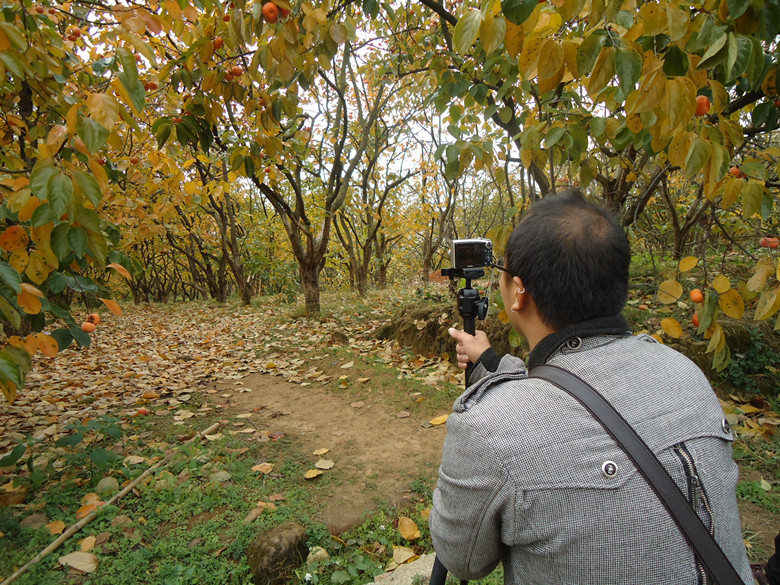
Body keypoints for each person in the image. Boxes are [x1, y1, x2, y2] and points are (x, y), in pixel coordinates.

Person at [429, 189, 753, 584]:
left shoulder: (485, 430)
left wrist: (490, 400)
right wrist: (492, 365)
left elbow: (462, 560)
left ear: (519, 293)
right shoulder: (684, 373)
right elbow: (583, 394)